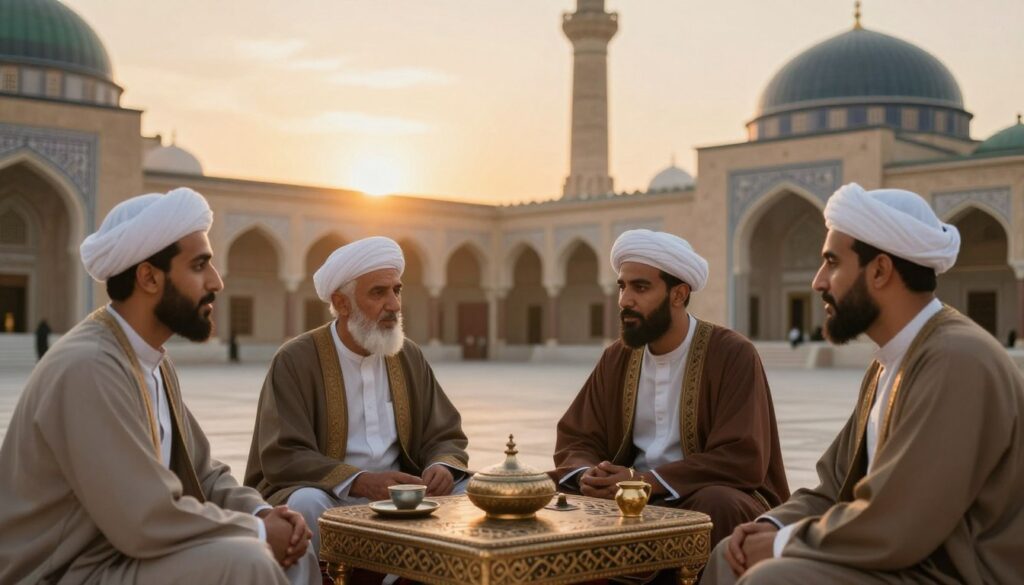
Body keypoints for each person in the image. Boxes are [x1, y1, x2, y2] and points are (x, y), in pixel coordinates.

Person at [705, 183, 1024, 584]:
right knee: (727, 557)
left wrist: (782, 543)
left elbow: (901, 521)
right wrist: (768, 526)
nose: (819, 282)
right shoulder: (891, 362)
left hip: (950, 571)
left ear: (879, 271)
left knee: (772, 580)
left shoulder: (955, 359)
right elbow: (834, 488)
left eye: (832, 263)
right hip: (903, 560)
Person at [0, 188, 318, 585]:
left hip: (118, 557)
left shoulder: (151, 361)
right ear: (148, 277)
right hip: (65, 570)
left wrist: (262, 514)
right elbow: (144, 517)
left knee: (294, 554)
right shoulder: (91, 365)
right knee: (246, 560)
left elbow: (204, 474)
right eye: (200, 265)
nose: (217, 282)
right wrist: (257, 534)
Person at [551, 229, 789, 548]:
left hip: (699, 492)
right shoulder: (618, 357)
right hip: (627, 493)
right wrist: (589, 475)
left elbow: (740, 456)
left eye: (641, 287)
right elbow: (578, 436)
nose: (625, 300)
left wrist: (645, 482)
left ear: (678, 294)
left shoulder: (731, 353)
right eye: (622, 286)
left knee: (718, 505)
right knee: (544, 491)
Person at [245, 236, 469, 554]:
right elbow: (285, 452)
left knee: (473, 491)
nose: (393, 304)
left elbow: (443, 431)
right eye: (378, 292)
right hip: (330, 489)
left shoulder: (408, 355)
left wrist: (442, 467)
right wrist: (360, 481)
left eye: (397, 290)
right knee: (306, 504)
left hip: (403, 491)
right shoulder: (296, 359)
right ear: (341, 303)